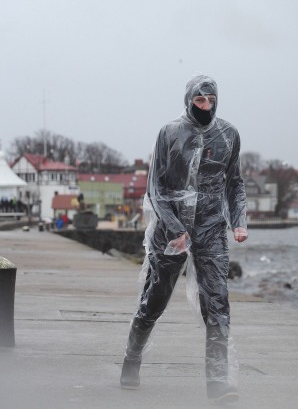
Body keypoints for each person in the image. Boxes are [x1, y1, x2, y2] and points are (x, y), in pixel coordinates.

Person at [120, 75, 248, 404]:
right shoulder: (170, 133)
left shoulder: (228, 134)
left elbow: (234, 182)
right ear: (189, 99)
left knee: (217, 305)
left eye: (211, 100)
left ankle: (218, 381)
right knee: (154, 301)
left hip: (210, 230)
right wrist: (176, 228)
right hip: (170, 231)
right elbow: (157, 189)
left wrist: (238, 221)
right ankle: (132, 359)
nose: (206, 106)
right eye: (200, 100)